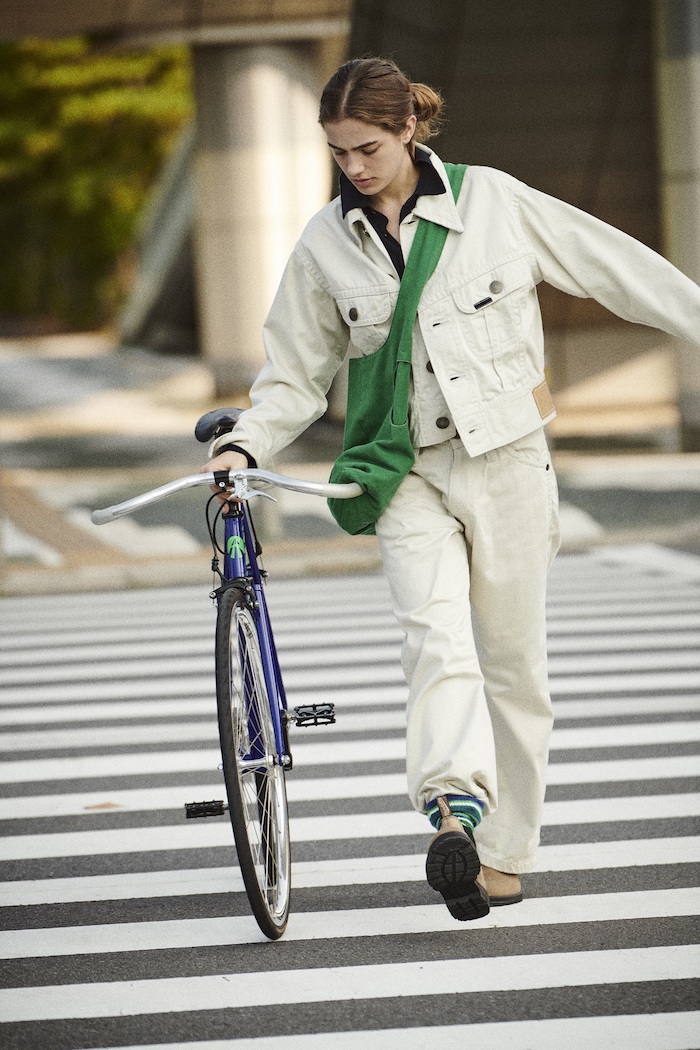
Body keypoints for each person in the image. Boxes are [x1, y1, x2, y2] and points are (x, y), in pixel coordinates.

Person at [203, 57, 700, 921]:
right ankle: (454, 811)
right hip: (402, 472)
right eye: (338, 152)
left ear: (408, 129)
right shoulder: (324, 243)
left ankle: (502, 858)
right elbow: (294, 373)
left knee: (514, 667)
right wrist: (245, 443)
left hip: (507, 461)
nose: (354, 167)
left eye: (367, 147)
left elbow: (617, 269)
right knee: (434, 641)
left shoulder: (494, 202)